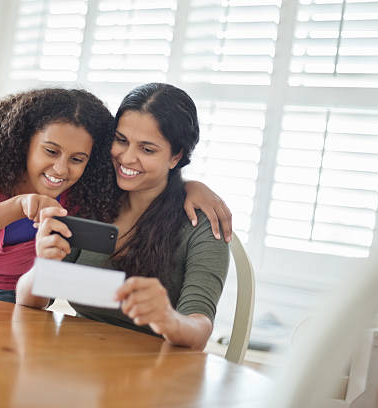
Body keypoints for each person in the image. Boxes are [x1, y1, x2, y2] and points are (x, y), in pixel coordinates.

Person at [0, 88, 230, 304]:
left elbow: (148, 176)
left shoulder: (87, 187)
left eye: (78, 158)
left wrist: (188, 184)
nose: (61, 169)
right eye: (50, 151)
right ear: (25, 140)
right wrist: (16, 206)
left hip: (16, 289)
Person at [17, 83, 229, 350]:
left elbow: (199, 330)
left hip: (150, 371)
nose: (127, 158)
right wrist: (43, 268)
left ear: (176, 156)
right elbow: (30, 301)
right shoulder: (92, 199)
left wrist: (168, 318)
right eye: (121, 140)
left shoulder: (201, 225)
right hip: (73, 363)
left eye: (147, 149)